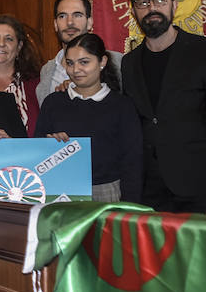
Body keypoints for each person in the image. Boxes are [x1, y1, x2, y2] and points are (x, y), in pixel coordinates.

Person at [119, 0, 206, 212]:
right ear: (133, 12)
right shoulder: (129, 63)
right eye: (142, 3)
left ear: (174, 5)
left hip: (200, 185)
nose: (151, 7)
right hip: (147, 190)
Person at [35, 32, 143, 202]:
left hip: (108, 193)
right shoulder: (53, 103)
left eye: (84, 62)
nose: (76, 70)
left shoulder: (121, 105)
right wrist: (50, 143)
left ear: (102, 62)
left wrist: (129, 206)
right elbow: (37, 151)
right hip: (61, 192)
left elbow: (133, 162)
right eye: (70, 63)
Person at [35, 0, 123, 104]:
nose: (70, 22)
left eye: (77, 15)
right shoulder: (47, 71)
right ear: (55, 25)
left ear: (89, 22)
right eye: (62, 16)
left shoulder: (118, 61)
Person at [0, 15, 41, 134]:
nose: (1, 43)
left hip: (28, 152)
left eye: (9, 39)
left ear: (19, 47)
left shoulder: (37, 85)